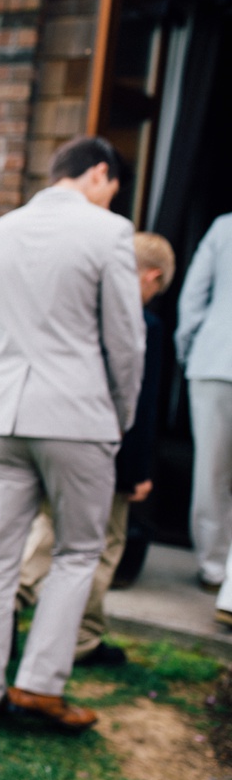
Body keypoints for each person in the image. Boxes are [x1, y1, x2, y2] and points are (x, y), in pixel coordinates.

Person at [0, 135, 144, 731]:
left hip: (4, 414)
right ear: (98, 174)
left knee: (1, 557)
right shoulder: (110, 233)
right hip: (78, 414)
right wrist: (121, 415)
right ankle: (40, 684)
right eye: (112, 186)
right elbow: (125, 341)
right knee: (78, 550)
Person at [17, 231, 176, 664]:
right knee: (103, 544)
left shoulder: (80, 311)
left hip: (48, 434)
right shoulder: (143, 324)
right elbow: (139, 402)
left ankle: (11, 606)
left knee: (49, 532)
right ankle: (83, 638)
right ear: (151, 277)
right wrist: (138, 469)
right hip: (105, 449)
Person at [175, 213, 232, 619]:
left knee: (212, 472)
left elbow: (193, 297)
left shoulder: (224, 227)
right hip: (214, 360)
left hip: (215, 361)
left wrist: (188, 350)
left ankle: (214, 567)